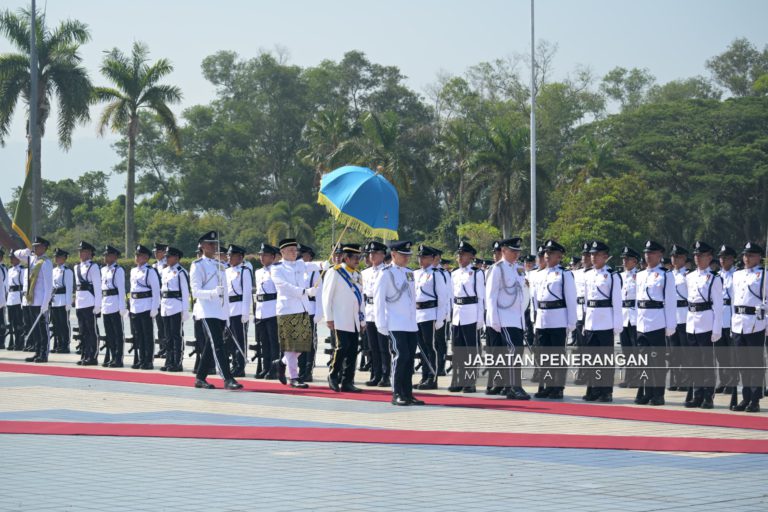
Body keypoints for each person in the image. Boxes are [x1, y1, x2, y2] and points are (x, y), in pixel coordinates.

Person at [190, 231, 242, 390]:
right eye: (211, 244)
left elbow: (225, 295)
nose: (214, 247)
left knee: (210, 346)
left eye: (215, 244)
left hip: (219, 312)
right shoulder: (197, 265)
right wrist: (213, 293)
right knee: (217, 345)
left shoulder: (221, 265)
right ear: (203, 246)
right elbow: (195, 292)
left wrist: (226, 316)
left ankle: (200, 378)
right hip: (206, 311)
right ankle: (227, 378)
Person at [374, 241, 424, 406]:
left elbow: (411, 298)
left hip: (410, 324)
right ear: (394, 254)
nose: (407, 258)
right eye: (403, 255)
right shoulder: (385, 273)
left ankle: (408, 393)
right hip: (395, 323)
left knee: (409, 359)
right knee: (400, 357)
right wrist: (381, 324)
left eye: (408, 255)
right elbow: (378, 300)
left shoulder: (410, 273)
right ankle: (396, 393)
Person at [530, 240, 577, 399]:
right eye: (546, 253)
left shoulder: (565, 274)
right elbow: (535, 300)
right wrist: (535, 319)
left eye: (551, 253)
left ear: (559, 256)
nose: (547, 256)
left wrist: (571, 323)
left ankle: (557, 387)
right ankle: (545, 386)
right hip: (542, 318)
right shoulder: (540, 274)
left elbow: (571, 299)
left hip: (558, 318)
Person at [485, 237, 531, 400]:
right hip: (503, 317)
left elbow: (522, 294)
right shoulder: (497, 269)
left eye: (518, 251)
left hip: (516, 318)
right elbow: (491, 296)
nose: (516, 254)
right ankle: (514, 386)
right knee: (513, 351)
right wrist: (493, 319)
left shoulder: (518, 269)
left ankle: (509, 386)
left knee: (515, 351)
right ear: (503, 251)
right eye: (513, 251)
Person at [634, 240, 677, 406]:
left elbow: (670, 302)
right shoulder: (641, 274)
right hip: (642, 322)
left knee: (657, 361)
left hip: (657, 322)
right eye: (646, 253)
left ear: (660, 255)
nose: (648, 256)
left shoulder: (666, 275)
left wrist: (670, 325)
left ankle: (658, 394)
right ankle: (646, 391)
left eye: (651, 253)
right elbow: (638, 300)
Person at [683, 241, 723, 409]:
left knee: (707, 362)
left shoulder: (714, 279)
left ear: (709, 257)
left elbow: (718, 306)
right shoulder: (689, 277)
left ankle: (708, 396)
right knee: (694, 362)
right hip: (692, 321)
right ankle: (697, 394)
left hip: (706, 322)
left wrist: (716, 328)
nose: (697, 258)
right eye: (696, 255)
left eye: (701, 255)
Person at [272, 238, 316, 388]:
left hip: (302, 308)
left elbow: (311, 266)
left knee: (302, 345)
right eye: (290, 250)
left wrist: (326, 264)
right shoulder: (277, 268)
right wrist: (304, 291)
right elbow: (284, 287)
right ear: (282, 252)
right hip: (287, 310)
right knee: (291, 345)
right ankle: (294, 377)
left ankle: (282, 362)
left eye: (295, 250)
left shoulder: (299, 264)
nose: (293, 252)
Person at [581, 241, 622, 402]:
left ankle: (606, 391)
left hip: (606, 321)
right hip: (591, 320)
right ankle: (593, 389)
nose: (593, 257)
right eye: (591, 254)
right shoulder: (588, 274)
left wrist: (617, 325)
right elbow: (585, 301)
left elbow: (617, 302)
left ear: (605, 256)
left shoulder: (612, 275)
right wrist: (585, 323)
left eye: (597, 255)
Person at [730, 242, 767, 413]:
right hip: (739, 323)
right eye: (745, 255)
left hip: (755, 323)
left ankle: (755, 399)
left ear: (759, 257)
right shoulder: (737, 275)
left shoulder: (764, 275)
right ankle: (745, 397)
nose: (746, 258)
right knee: (742, 363)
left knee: (755, 363)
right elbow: (733, 300)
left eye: (751, 255)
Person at [323, 243, 365, 392]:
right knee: (341, 347)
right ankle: (333, 375)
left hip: (353, 319)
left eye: (359, 257)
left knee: (353, 350)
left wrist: (362, 320)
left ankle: (348, 381)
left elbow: (361, 300)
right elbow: (326, 297)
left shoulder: (358, 274)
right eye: (354, 257)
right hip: (339, 317)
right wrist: (329, 317)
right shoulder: (335, 272)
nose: (357, 260)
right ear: (346, 258)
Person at [448, 241, 485, 393]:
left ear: (471, 256)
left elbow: (481, 297)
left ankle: (470, 381)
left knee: (471, 350)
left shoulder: (477, 273)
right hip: (457, 314)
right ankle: (458, 379)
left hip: (471, 314)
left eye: (463, 254)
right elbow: (452, 297)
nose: (459, 256)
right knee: (458, 349)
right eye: (459, 254)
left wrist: (480, 319)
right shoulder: (454, 273)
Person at [413, 244, 451, 390]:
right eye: (419, 257)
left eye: (424, 257)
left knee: (431, 347)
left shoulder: (437, 274)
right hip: (418, 314)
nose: (421, 260)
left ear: (432, 258)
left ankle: (432, 377)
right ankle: (424, 376)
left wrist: (440, 319)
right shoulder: (416, 274)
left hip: (431, 314)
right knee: (422, 348)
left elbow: (442, 298)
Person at [13, 237, 53, 363]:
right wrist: (27, 249)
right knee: (35, 329)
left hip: (41, 300)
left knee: (42, 328)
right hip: (32, 299)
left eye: (37, 246)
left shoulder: (45, 262)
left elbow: (48, 286)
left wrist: (45, 303)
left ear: (44, 247)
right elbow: (16, 254)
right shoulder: (32, 259)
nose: (35, 248)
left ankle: (44, 353)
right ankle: (37, 351)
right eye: (34, 246)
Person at [360, 241, 391, 387]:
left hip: (383, 312)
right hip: (369, 311)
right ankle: (375, 374)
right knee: (372, 347)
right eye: (370, 253)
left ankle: (385, 375)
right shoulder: (364, 273)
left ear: (383, 254)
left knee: (384, 347)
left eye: (375, 253)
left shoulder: (387, 271)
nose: (372, 255)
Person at [129, 244, 160, 370]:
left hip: (146, 305)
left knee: (147, 335)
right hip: (135, 306)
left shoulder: (150, 271)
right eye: (136, 255)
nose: (137, 257)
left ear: (146, 257)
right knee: (138, 334)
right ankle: (141, 359)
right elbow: (132, 290)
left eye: (139, 255)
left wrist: (154, 308)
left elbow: (156, 291)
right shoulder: (133, 271)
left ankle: (148, 360)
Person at [160, 246, 189, 372]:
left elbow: (185, 292)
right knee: (168, 336)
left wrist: (185, 310)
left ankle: (177, 362)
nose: (166, 258)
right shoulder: (165, 271)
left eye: (169, 256)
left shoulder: (181, 272)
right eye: (165, 256)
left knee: (176, 335)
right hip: (166, 305)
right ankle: (169, 361)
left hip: (176, 306)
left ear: (176, 257)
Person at [224, 244, 252, 377]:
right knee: (230, 340)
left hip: (239, 308)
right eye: (228, 255)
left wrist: (245, 312)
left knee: (240, 339)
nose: (228, 257)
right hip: (229, 309)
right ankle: (234, 363)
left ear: (240, 257)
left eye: (231, 255)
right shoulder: (226, 271)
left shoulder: (245, 271)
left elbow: (247, 293)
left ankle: (240, 366)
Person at [73, 241, 102, 366]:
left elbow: (97, 286)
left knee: (91, 331)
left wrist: (98, 305)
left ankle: (93, 356)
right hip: (80, 302)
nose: (80, 253)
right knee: (82, 331)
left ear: (90, 253)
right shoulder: (76, 267)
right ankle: (84, 353)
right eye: (79, 251)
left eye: (83, 251)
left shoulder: (93, 267)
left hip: (90, 302)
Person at [253, 243, 279, 379]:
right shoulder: (258, 272)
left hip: (273, 309)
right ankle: (266, 367)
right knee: (264, 342)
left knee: (273, 341)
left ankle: (275, 369)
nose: (262, 257)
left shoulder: (276, 270)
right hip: (261, 309)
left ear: (273, 257)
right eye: (260, 255)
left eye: (265, 255)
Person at [715, 245, 738, 394]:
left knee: (731, 353)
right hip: (719, 317)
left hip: (731, 316)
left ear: (732, 259)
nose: (722, 260)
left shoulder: (737, 274)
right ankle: (723, 380)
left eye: (725, 257)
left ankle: (732, 381)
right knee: (720, 353)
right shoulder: (716, 275)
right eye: (721, 257)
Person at [668, 244, 690, 391]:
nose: (675, 259)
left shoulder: (688, 275)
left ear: (684, 258)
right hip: (672, 317)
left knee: (685, 350)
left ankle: (686, 380)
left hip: (684, 316)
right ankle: (675, 379)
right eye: (673, 256)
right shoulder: (668, 275)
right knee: (673, 351)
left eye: (678, 257)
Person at [618, 246, 641, 388]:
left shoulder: (639, 276)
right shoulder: (619, 276)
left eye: (627, 259)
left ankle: (637, 377)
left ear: (635, 261)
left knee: (635, 349)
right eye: (623, 259)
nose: (624, 261)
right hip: (623, 315)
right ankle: (628, 377)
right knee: (626, 350)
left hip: (634, 315)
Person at [298, 244, 321, 382]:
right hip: (299, 308)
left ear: (309, 256)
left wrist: (319, 312)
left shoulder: (314, 271)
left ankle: (308, 370)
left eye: (303, 254)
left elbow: (319, 294)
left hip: (311, 308)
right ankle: (301, 369)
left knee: (310, 342)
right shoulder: (297, 270)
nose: (300, 257)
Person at [101, 245, 127, 367]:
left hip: (115, 303)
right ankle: (111, 356)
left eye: (108, 255)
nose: (105, 257)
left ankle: (118, 358)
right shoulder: (103, 270)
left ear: (114, 257)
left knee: (117, 333)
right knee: (109, 333)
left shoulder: (118, 270)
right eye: (105, 255)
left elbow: (121, 289)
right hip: (106, 303)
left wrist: (122, 306)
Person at [50, 248, 74, 354]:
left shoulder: (67, 271)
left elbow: (69, 288)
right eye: (55, 257)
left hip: (63, 299)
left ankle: (65, 345)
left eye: (58, 257)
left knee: (64, 323)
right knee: (56, 324)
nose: (56, 258)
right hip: (55, 299)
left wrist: (68, 303)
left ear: (64, 258)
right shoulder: (53, 270)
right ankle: (57, 344)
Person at [152, 243, 169, 359]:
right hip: (157, 298)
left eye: (158, 251)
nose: (155, 253)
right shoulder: (154, 265)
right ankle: (162, 348)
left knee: (167, 325)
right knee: (160, 326)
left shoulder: (167, 264)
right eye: (155, 252)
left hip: (166, 298)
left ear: (164, 252)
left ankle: (168, 349)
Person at [5, 252, 24, 351]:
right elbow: (8, 286)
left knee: (18, 322)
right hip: (11, 298)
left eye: (13, 258)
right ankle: (12, 342)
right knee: (11, 322)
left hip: (18, 297)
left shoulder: (22, 270)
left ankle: (20, 342)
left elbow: (23, 285)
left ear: (18, 259)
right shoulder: (10, 270)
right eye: (10, 257)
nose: (11, 259)